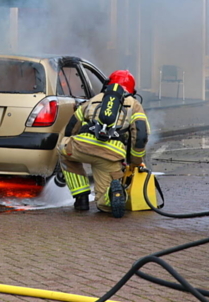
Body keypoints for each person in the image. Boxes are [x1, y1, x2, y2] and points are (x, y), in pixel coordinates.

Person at [59, 70, 149, 218]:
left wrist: (70, 143)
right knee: (104, 205)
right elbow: (140, 136)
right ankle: (114, 195)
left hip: (82, 148)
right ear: (132, 90)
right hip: (110, 156)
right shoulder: (134, 105)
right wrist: (135, 162)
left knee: (63, 149)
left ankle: (81, 197)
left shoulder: (94, 99)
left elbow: (71, 127)